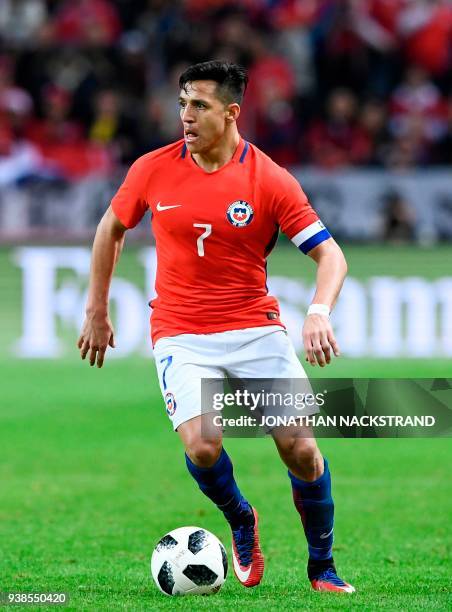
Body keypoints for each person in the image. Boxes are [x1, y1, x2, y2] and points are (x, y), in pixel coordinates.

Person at [77, 60, 354, 594]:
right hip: (180, 329)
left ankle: (322, 567)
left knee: (299, 447)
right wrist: (96, 308)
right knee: (203, 446)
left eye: (198, 105)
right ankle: (241, 518)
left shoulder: (269, 179)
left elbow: (332, 256)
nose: (185, 115)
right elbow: (111, 227)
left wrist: (318, 311)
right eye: (182, 103)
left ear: (230, 113)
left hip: (254, 327)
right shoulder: (153, 168)